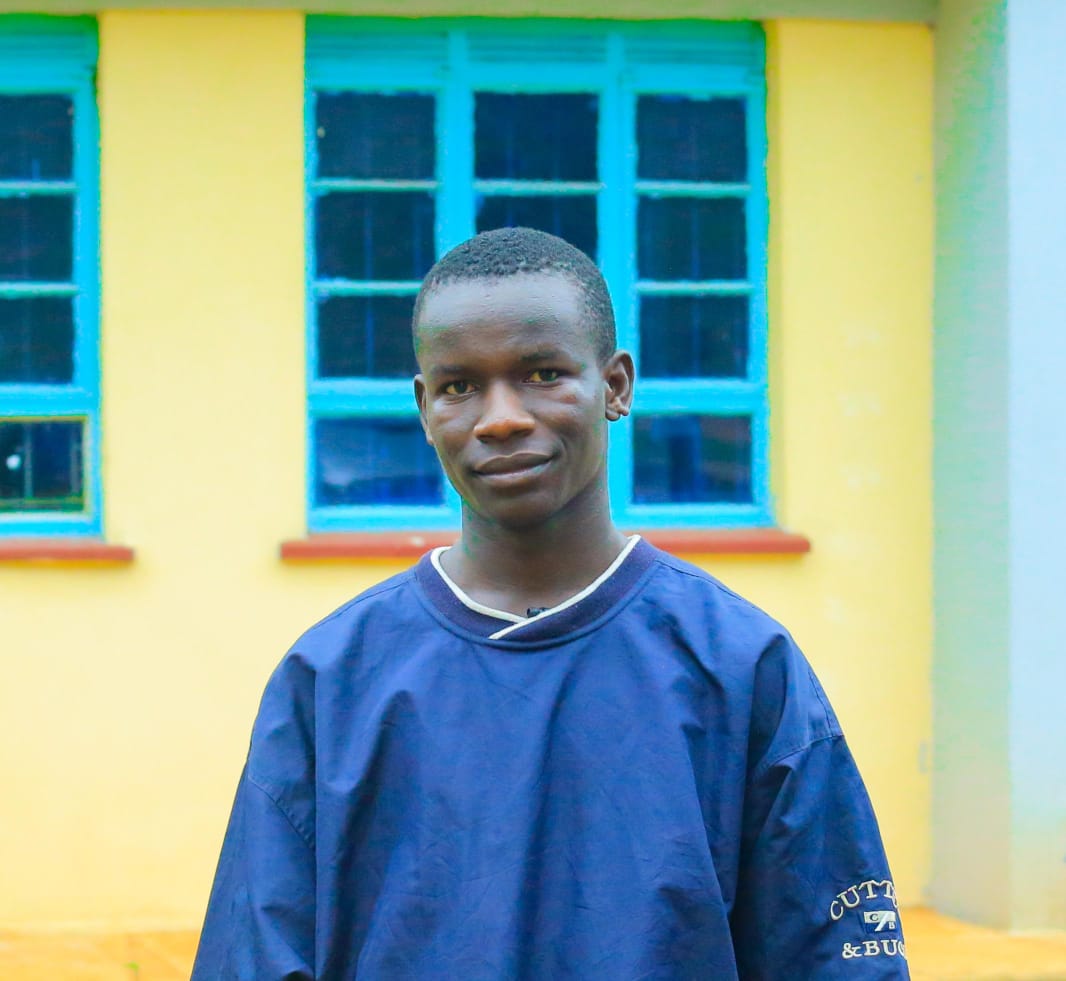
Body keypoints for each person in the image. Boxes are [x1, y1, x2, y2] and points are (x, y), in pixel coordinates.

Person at [192, 227, 908, 979]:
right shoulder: (331, 678)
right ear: (424, 407)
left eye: (541, 373)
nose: (500, 417)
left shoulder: (740, 665)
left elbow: (833, 960)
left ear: (616, 386)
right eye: (459, 386)